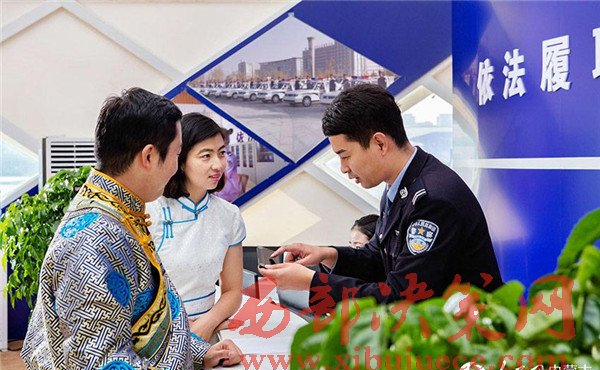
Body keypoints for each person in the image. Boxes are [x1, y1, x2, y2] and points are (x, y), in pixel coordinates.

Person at [21, 88, 246, 370]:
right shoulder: (95, 239)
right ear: (149, 156)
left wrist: (197, 352)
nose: (176, 166)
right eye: (177, 154)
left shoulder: (119, 211)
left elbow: (137, 320)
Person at [260, 84, 503, 310]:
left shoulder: (433, 200)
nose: (343, 168)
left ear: (379, 143)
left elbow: (401, 297)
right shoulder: (398, 185)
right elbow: (378, 257)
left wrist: (313, 282)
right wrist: (328, 254)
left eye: (345, 155)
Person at [147, 113, 246, 342]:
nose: (218, 164)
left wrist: (206, 324)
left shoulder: (229, 216)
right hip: (157, 335)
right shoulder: (151, 212)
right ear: (180, 161)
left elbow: (232, 291)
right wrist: (182, 328)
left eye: (221, 153)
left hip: (207, 334)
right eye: (206, 156)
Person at [215, 127, 248, 202]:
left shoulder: (225, 156)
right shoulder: (230, 155)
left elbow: (226, 173)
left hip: (225, 191)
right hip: (232, 189)